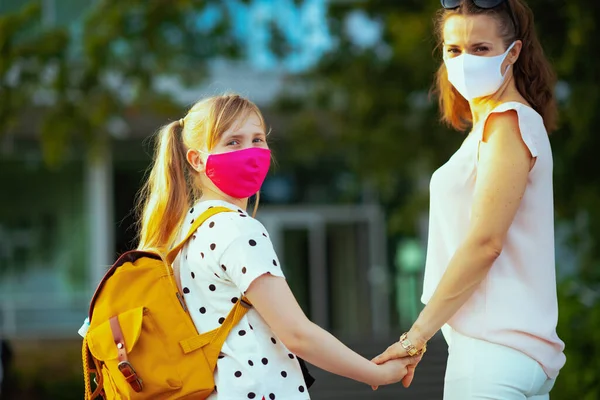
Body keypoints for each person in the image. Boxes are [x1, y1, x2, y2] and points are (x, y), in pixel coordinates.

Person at [135, 94, 420, 399]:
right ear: (197, 159)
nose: (251, 151)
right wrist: (375, 373)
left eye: (258, 139)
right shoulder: (236, 228)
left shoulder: (186, 230)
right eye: (233, 142)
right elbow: (297, 334)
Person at [372, 0, 566, 399]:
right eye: (453, 50)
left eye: (481, 49)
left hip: (492, 356)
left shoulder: (507, 122)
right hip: (512, 356)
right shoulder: (497, 126)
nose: (464, 61)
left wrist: (414, 339)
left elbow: (484, 244)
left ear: (512, 53)